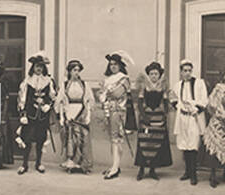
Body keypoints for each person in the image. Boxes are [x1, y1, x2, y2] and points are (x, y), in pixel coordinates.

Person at [17, 52, 55, 175]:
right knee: (26, 139)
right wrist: (23, 114)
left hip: (42, 116)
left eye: (41, 66)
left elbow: (53, 97)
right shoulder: (27, 81)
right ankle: (24, 164)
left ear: (44, 68)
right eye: (36, 66)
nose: (38, 68)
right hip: (30, 115)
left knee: (40, 139)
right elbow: (22, 98)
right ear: (32, 67)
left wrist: (48, 105)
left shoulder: (48, 81)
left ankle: (39, 163)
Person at [134, 61, 173, 180]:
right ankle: (141, 169)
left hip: (159, 118)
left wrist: (165, 113)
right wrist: (144, 116)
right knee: (143, 143)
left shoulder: (163, 87)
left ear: (159, 75)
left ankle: (152, 170)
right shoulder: (143, 87)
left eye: (156, 74)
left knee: (156, 143)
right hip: (146, 117)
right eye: (151, 74)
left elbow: (166, 104)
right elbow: (140, 103)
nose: (154, 76)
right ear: (148, 75)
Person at [171, 59, 208, 185]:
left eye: (189, 71)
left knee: (193, 145)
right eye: (184, 71)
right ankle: (187, 171)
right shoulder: (178, 85)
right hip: (182, 118)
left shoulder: (199, 83)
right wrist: (179, 106)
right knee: (184, 145)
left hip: (194, 118)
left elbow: (204, 100)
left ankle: (194, 174)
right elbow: (173, 98)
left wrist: (196, 109)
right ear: (181, 72)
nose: (187, 73)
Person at [99, 51, 134, 179]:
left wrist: (105, 92)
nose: (113, 66)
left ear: (120, 65)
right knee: (112, 139)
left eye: (115, 64)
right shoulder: (107, 79)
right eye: (111, 64)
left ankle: (115, 167)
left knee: (116, 139)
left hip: (118, 112)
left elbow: (116, 94)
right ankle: (115, 165)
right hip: (108, 111)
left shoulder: (124, 79)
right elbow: (100, 95)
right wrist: (104, 93)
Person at [56, 59, 93, 174]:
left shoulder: (84, 84)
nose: (77, 72)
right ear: (70, 71)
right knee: (71, 138)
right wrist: (62, 117)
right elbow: (60, 102)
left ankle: (83, 164)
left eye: (78, 70)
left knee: (83, 138)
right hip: (69, 111)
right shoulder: (65, 85)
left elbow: (89, 101)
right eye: (74, 70)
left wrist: (88, 116)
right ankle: (71, 163)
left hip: (81, 112)